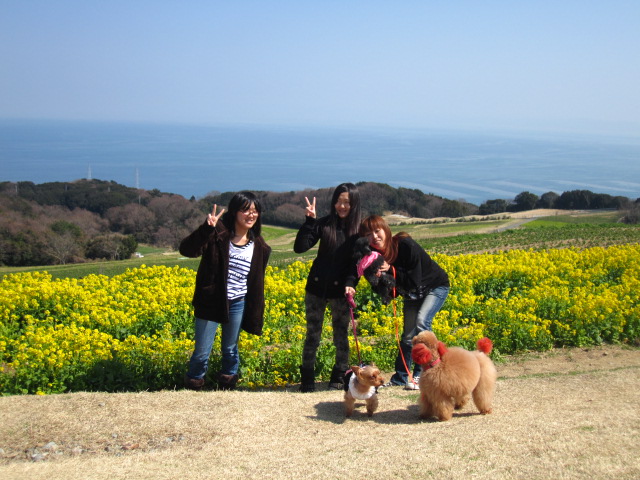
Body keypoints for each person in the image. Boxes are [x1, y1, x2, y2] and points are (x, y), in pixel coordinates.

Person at [181, 191, 271, 391]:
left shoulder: (258, 244)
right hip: (212, 299)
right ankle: (194, 384)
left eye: (255, 211)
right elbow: (187, 250)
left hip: (238, 301)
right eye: (246, 210)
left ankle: (228, 384)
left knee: (230, 349)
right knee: (202, 351)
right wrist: (206, 229)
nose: (251, 215)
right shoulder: (217, 233)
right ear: (234, 212)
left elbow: (256, 280)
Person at [359, 215, 449, 389]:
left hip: (435, 286)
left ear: (386, 230)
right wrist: (377, 280)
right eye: (368, 234)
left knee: (422, 323)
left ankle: (423, 374)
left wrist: (390, 269)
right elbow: (389, 293)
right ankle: (400, 378)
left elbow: (413, 280)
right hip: (412, 294)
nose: (374, 237)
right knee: (408, 335)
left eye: (377, 231)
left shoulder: (405, 245)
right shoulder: (374, 257)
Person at [294, 183, 362, 392]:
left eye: (347, 202)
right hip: (316, 289)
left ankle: (339, 375)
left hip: (341, 292)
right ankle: (307, 378)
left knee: (341, 336)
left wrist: (350, 283)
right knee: (312, 335)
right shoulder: (323, 224)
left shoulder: (359, 231)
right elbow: (300, 247)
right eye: (338, 201)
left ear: (354, 204)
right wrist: (309, 221)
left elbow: (356, 263)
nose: (342, 206)